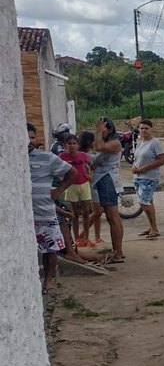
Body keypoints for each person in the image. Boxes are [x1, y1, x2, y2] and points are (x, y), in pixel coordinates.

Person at [28, 123, 78, 293]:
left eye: (32, 137)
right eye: (26, 137)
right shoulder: (12, 159)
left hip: (45, 214)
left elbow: (72, 173)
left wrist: (58, 190)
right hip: (25, 219)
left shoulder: (47, 158)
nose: (29, 140)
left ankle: (48, 281)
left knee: (50, 251)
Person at [91, 117, 125, 264]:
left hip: (108, 180)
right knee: (112, 218)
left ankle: (117, 253)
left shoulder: (114, 142)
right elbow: (97, 160)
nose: (99, 130)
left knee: (113, 218)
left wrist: (98, 132)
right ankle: (118, 251)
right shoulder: (105, 142)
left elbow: (99, 148)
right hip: (103, 179)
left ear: (109, 129)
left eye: (102, 128)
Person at [131, 119, 164, 238]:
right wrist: (134, 167)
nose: (144, 130)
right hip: (138, 177)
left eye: (146, 128)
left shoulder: (155, 143)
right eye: (141, 128)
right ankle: (151, 226)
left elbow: (162, 160)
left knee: (144, 202)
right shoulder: (140, 143)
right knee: (147, 202)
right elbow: (136, 159)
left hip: (149, 178)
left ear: (151, 129)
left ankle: (155, 228)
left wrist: (144, 168)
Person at [59, 134, 93, 245]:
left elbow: (92, 166)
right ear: (65, 145)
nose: (72, 146)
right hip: (71, 186)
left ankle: (87, 237)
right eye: (69, 144)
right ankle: (77, 238)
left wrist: (89, 175)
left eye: (74, 143)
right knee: (74, 213)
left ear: (78, 145)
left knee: (86, 212)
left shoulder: (83, 155)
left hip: (84, 184)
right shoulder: (62, 156)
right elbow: (57, 170)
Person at [80, 131, 104, 245]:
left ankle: (97, 237)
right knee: (97, 212)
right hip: (92, 184)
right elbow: (96, 163)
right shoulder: (88, 155)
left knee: (96, 211)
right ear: (90, 142)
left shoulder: (85, 154)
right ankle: (81, 236)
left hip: (93, 183)